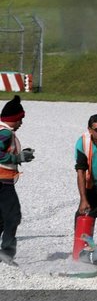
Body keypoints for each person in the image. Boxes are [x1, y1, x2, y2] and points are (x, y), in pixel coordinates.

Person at [0, 96, 34, 265]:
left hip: (3, 181)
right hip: (2, 182)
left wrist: (20, 156)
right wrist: (17, 157)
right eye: (20, 119)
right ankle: (6, 254)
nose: (21, 122)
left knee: (1, 218)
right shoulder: (5, 132)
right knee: (13, 216)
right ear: (13, 118)